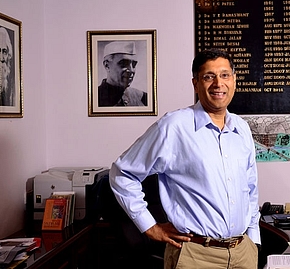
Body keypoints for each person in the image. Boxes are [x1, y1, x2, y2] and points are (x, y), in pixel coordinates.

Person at [109, 48, 260, 269]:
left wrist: (253, 240)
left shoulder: (242, 128)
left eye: (225, 75)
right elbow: (122, 173)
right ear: (196, 84)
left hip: (243, 253)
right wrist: (150, 226)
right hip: (195, 255)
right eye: (209, 76)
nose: (218, 83)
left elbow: (250, 188)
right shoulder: (174, 126)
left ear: (234, 80)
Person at [98, 41, 148, 106]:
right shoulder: (94, 98)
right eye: (124, 63)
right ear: (107, 65)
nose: (131, 70)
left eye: (134, 65)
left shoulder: (143, 97)